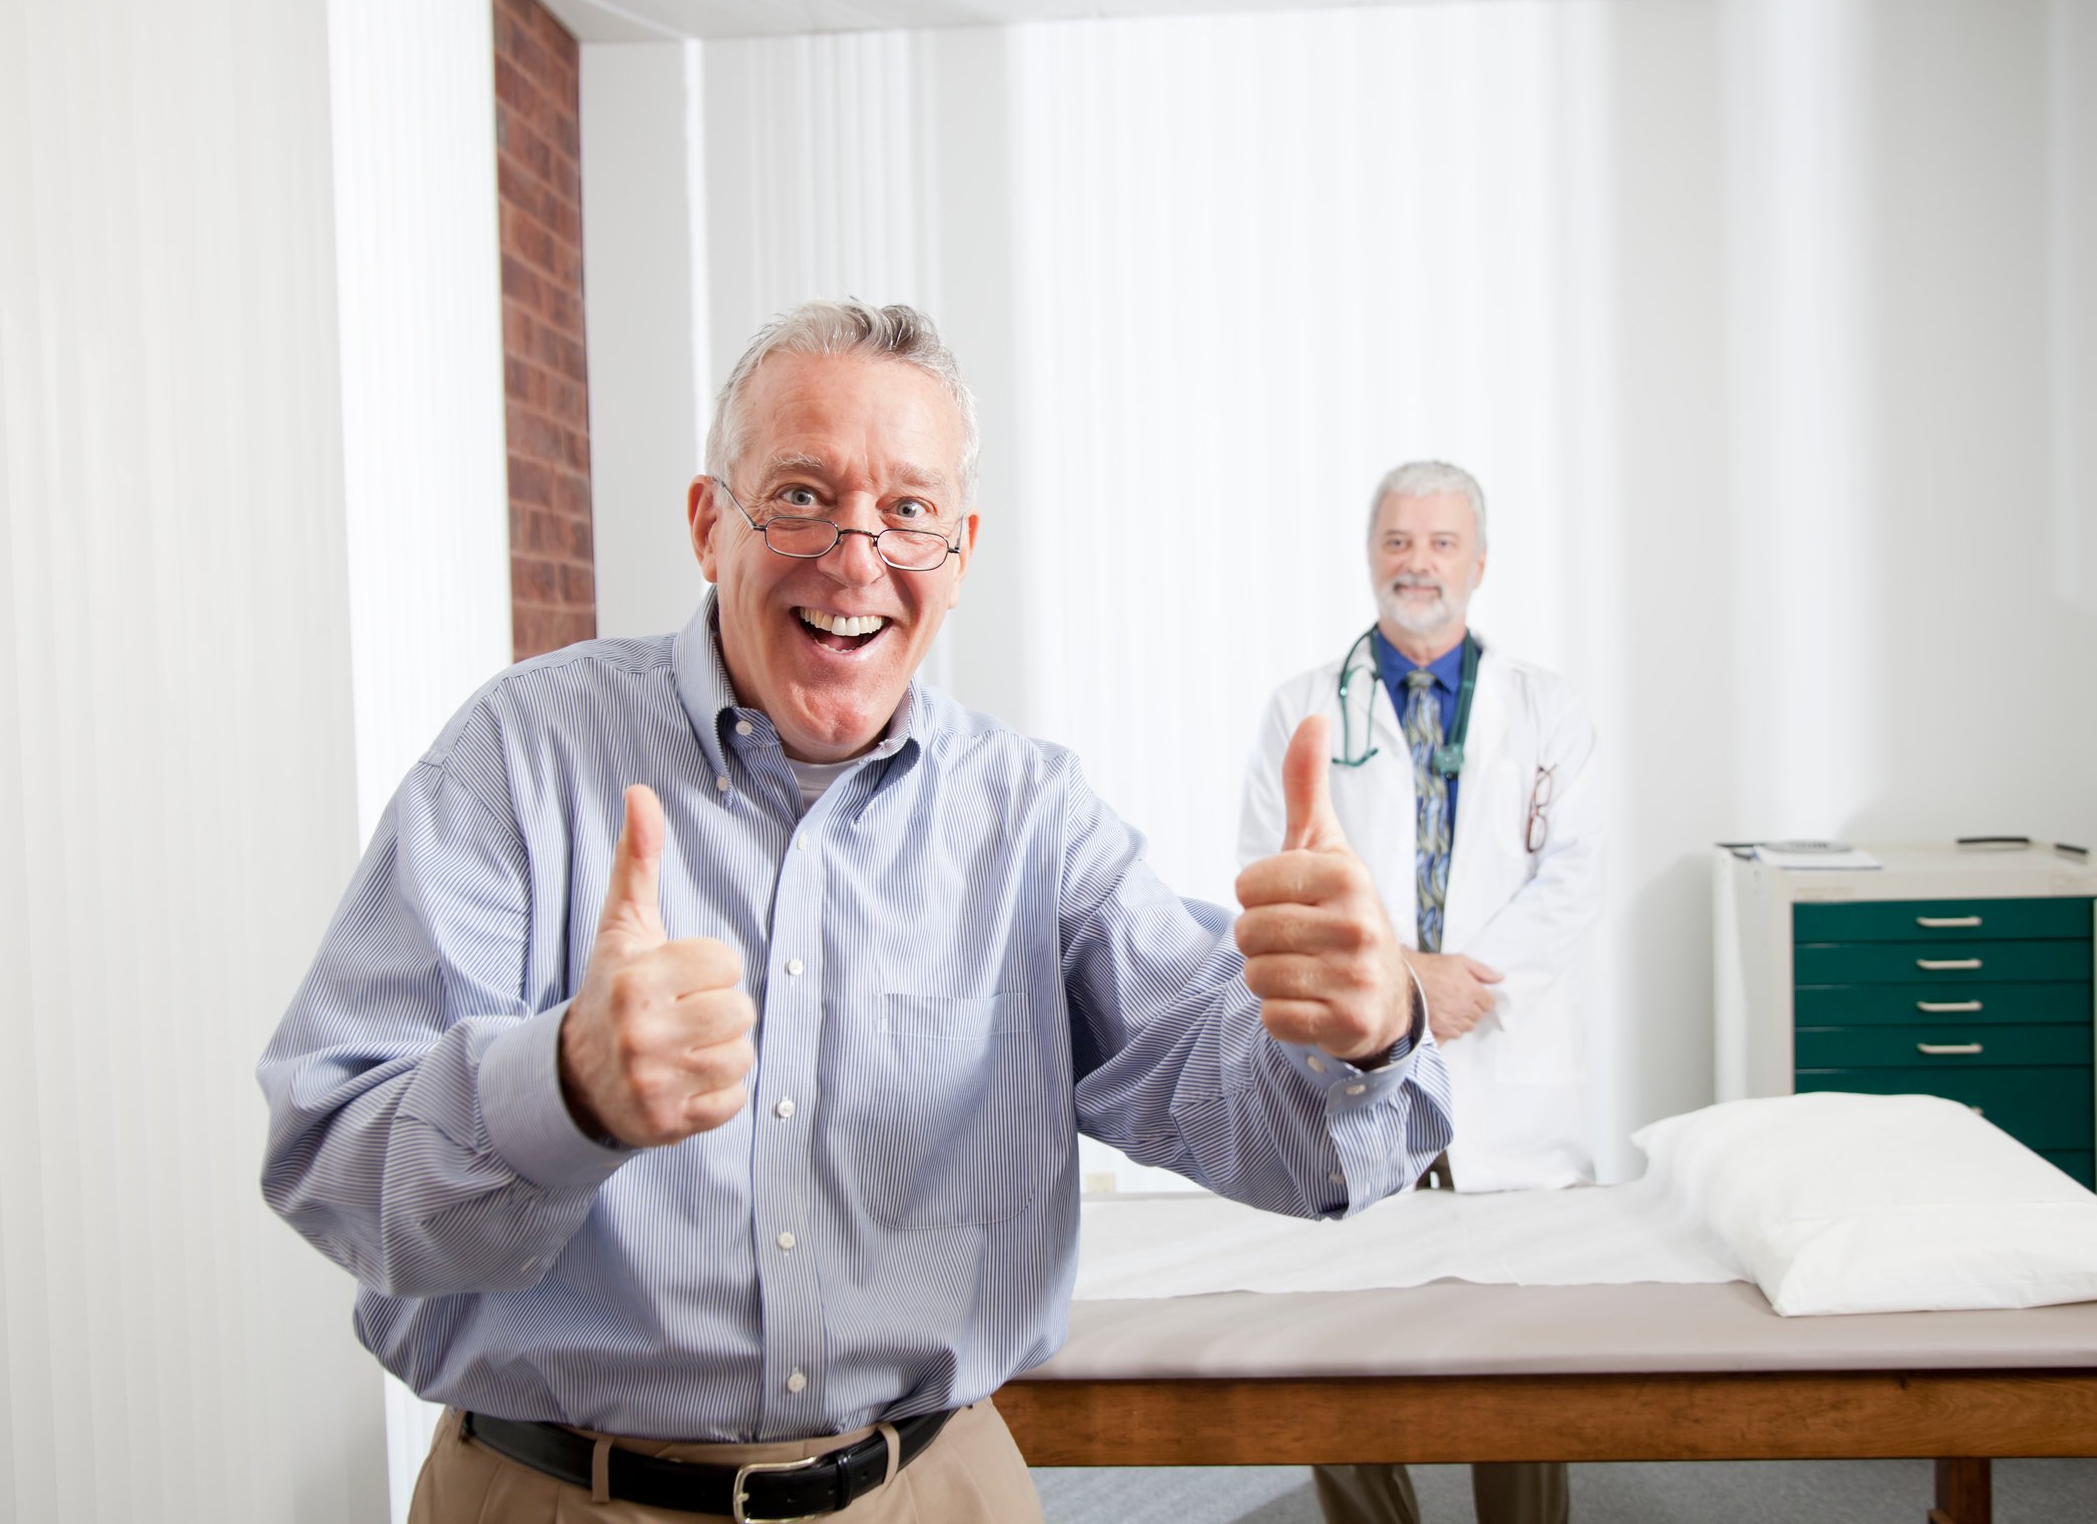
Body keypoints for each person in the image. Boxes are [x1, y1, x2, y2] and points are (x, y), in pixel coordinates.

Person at [259, 301, 1453, 1524]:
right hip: (562, 1496)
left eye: (908, 511)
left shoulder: (1031, 815)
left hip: (930, 1495)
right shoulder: (520, 758)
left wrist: (1365, 1032)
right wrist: (558, 1090)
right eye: (800, 495)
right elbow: (333, 1169)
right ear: (707, 522)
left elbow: (1292, 1147)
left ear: (961, 549)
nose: (855, 554)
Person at [1239, 460, 1605, 1524]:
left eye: (1441, 543)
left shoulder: (1550, 710)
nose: (1418, 562)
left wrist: (1461, 988)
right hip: (1356, 1067)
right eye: (1399, 540)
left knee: (1519, 1354)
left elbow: (1573, 875)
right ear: (1370, 556)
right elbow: (1276, 876)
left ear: (1478, 563)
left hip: (1507, 1062)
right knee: (1344, 1339)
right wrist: (1402, 983)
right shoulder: (1302, 708)